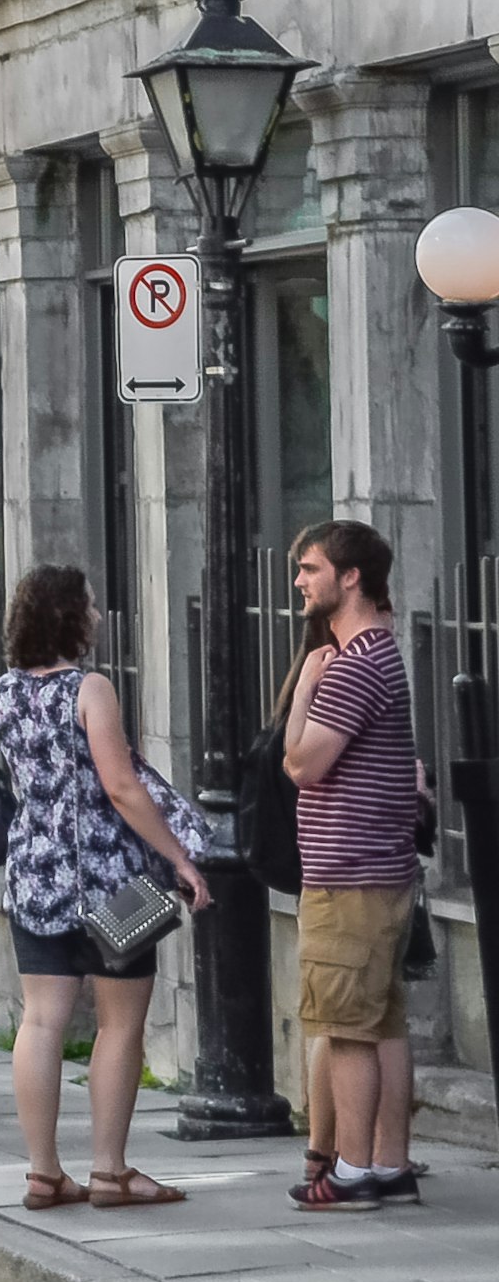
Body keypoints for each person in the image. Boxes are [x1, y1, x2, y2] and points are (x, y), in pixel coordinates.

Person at [0, 563, 207, 1211]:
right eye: (89, 603)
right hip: (111, 880)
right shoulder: (90, 688)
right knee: (121, 1026)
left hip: (33, 872)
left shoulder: (4, 690)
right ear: (68, 616)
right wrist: (182, 859)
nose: (97, 613)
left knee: (41, 1019)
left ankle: (43, 1170)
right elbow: (121, 786)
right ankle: (110, 1170)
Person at [280, 518, 425, 1212]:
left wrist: (307, 682)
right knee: (382, 1023)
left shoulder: (353, 663)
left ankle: (355, 1166)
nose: (301, 581)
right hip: (381, 869)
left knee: (344, 1028)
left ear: (350, 576)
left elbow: (303, 763)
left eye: (310, 568)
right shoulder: (380, 653)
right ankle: (390, 1162)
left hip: (348, 875)